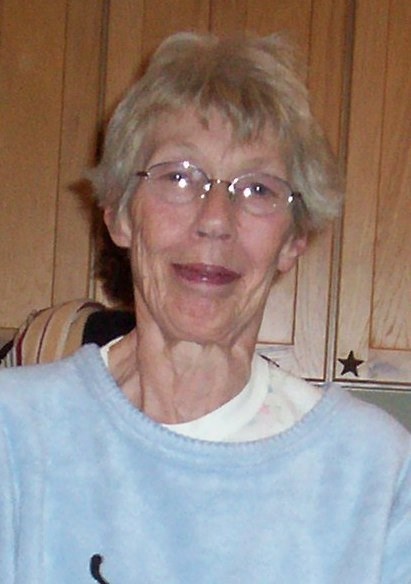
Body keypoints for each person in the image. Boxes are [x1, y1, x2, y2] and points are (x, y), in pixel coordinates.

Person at [0, 32, 410, 583]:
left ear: (294, 239)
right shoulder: (16, 434)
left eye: (258, 189)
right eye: (178, 177)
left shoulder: (376, 475)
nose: (215, 219)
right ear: (119, 213)